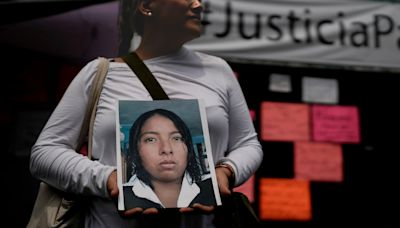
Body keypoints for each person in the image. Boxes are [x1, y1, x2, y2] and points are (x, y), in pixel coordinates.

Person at [30, 0, 263, 227]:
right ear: (146, 6)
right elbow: (45, 153)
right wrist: (107, 178)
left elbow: (248, 143)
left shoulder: (217, 71)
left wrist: (227, 171)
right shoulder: (100, 74)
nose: (199, 5)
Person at [122, 108, 216, 209]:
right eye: (151, 139)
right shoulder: (121, 197)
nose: (166, 149)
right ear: (136, 150)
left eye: (176, 138)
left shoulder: (214, 187)